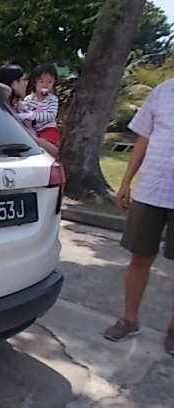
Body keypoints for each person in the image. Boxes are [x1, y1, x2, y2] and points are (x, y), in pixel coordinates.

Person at [103, 77, 174, 356]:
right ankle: (129, 319)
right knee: (140, 256)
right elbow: (143, 137)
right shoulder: (163, 91)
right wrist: (125, 182)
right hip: (152, 190)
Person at [0, 64, 58, 157]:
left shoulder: (21, 107)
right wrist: (30, 138)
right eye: (24, 80)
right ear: (14, 84)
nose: (27, 83)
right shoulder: (3, 114)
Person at [19, 63, 60, 146]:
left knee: (45, 144)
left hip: (47, 128)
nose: (45, 85)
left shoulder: (53, 99)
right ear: (35, 82)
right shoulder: (29, 99)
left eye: (50, 82)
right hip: (32, 128)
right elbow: (23, 111)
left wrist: (31, 115)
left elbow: (51, 116)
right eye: (41, 81)